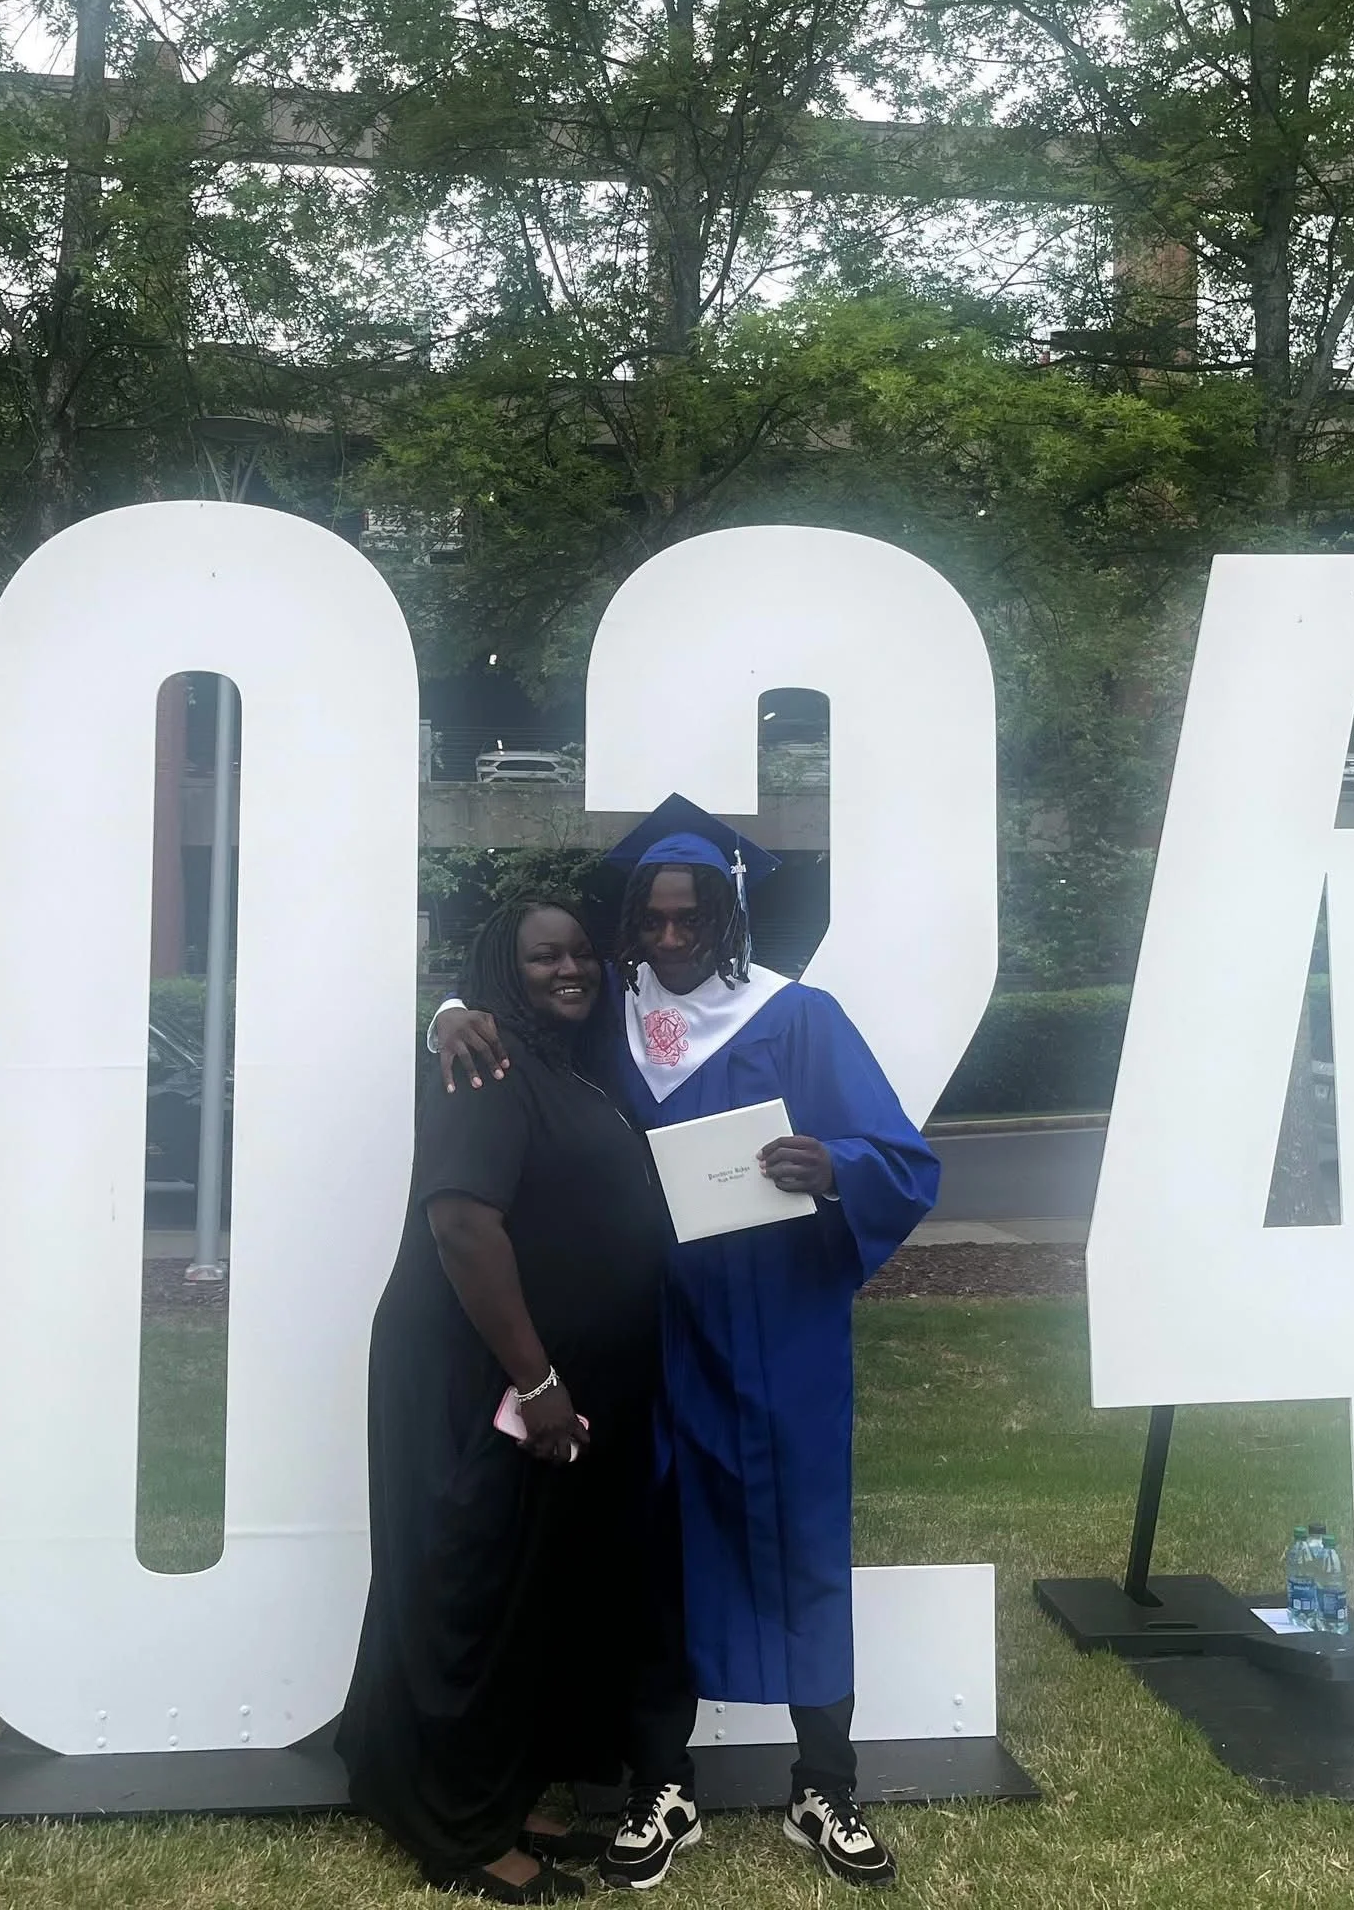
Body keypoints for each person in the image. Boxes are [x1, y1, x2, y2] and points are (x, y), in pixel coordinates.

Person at [433, 795, 940, 1890]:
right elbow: (514, 1003)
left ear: (728, 917)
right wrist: (444, 1009)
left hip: (775, 1324)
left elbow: (901, 1155)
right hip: (649, 1329)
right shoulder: (607, 1013)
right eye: (651, 920)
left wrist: (833, 1163)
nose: (668, 939)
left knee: (800, 1541)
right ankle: (662, 1780)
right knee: (652, 1555)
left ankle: (824, 1783)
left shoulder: (796, 1018)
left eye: (691, 918)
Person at [339, 899, 675, 1904]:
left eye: (579, 951)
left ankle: (495, 1785)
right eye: (543, 954)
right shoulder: (478, 1063)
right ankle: (454, 1825)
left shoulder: (564, 1064)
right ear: (501, 967)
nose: (568, 966)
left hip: (544, 1383)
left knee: (524, 1590)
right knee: (467, 1583)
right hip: (474, 1373)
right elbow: (462, 1228)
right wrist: (534, 1378)